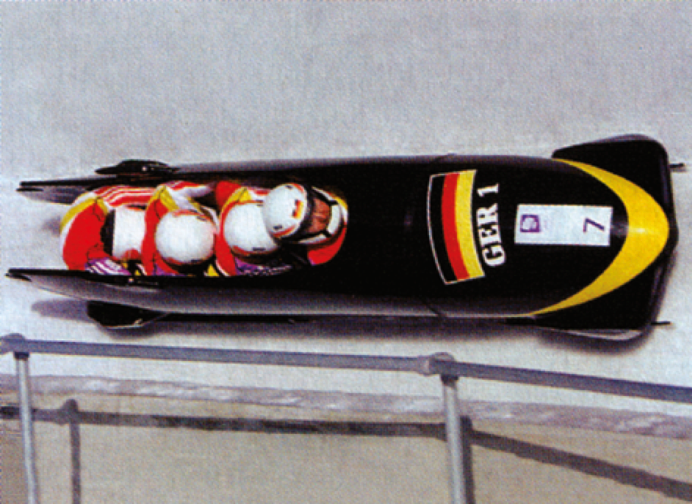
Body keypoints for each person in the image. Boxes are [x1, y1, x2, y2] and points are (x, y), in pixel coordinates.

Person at [60, 181, 218, 276]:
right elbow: (127, 287)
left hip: (92, 209)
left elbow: (164, 191)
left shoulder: (162, 201)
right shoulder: (84, 258)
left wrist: (212, 183)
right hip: (82, 246)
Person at [60, 185, 154, 275]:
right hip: (80, 251)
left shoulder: (95, 205)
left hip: (86, 213)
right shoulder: (84, 259)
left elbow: (120, 194)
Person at [262, 183, 348, 266]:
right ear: (301, 237)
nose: (322, 216)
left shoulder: (335, 189)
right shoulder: (322, 257)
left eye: (314, 205)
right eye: (309, 223)